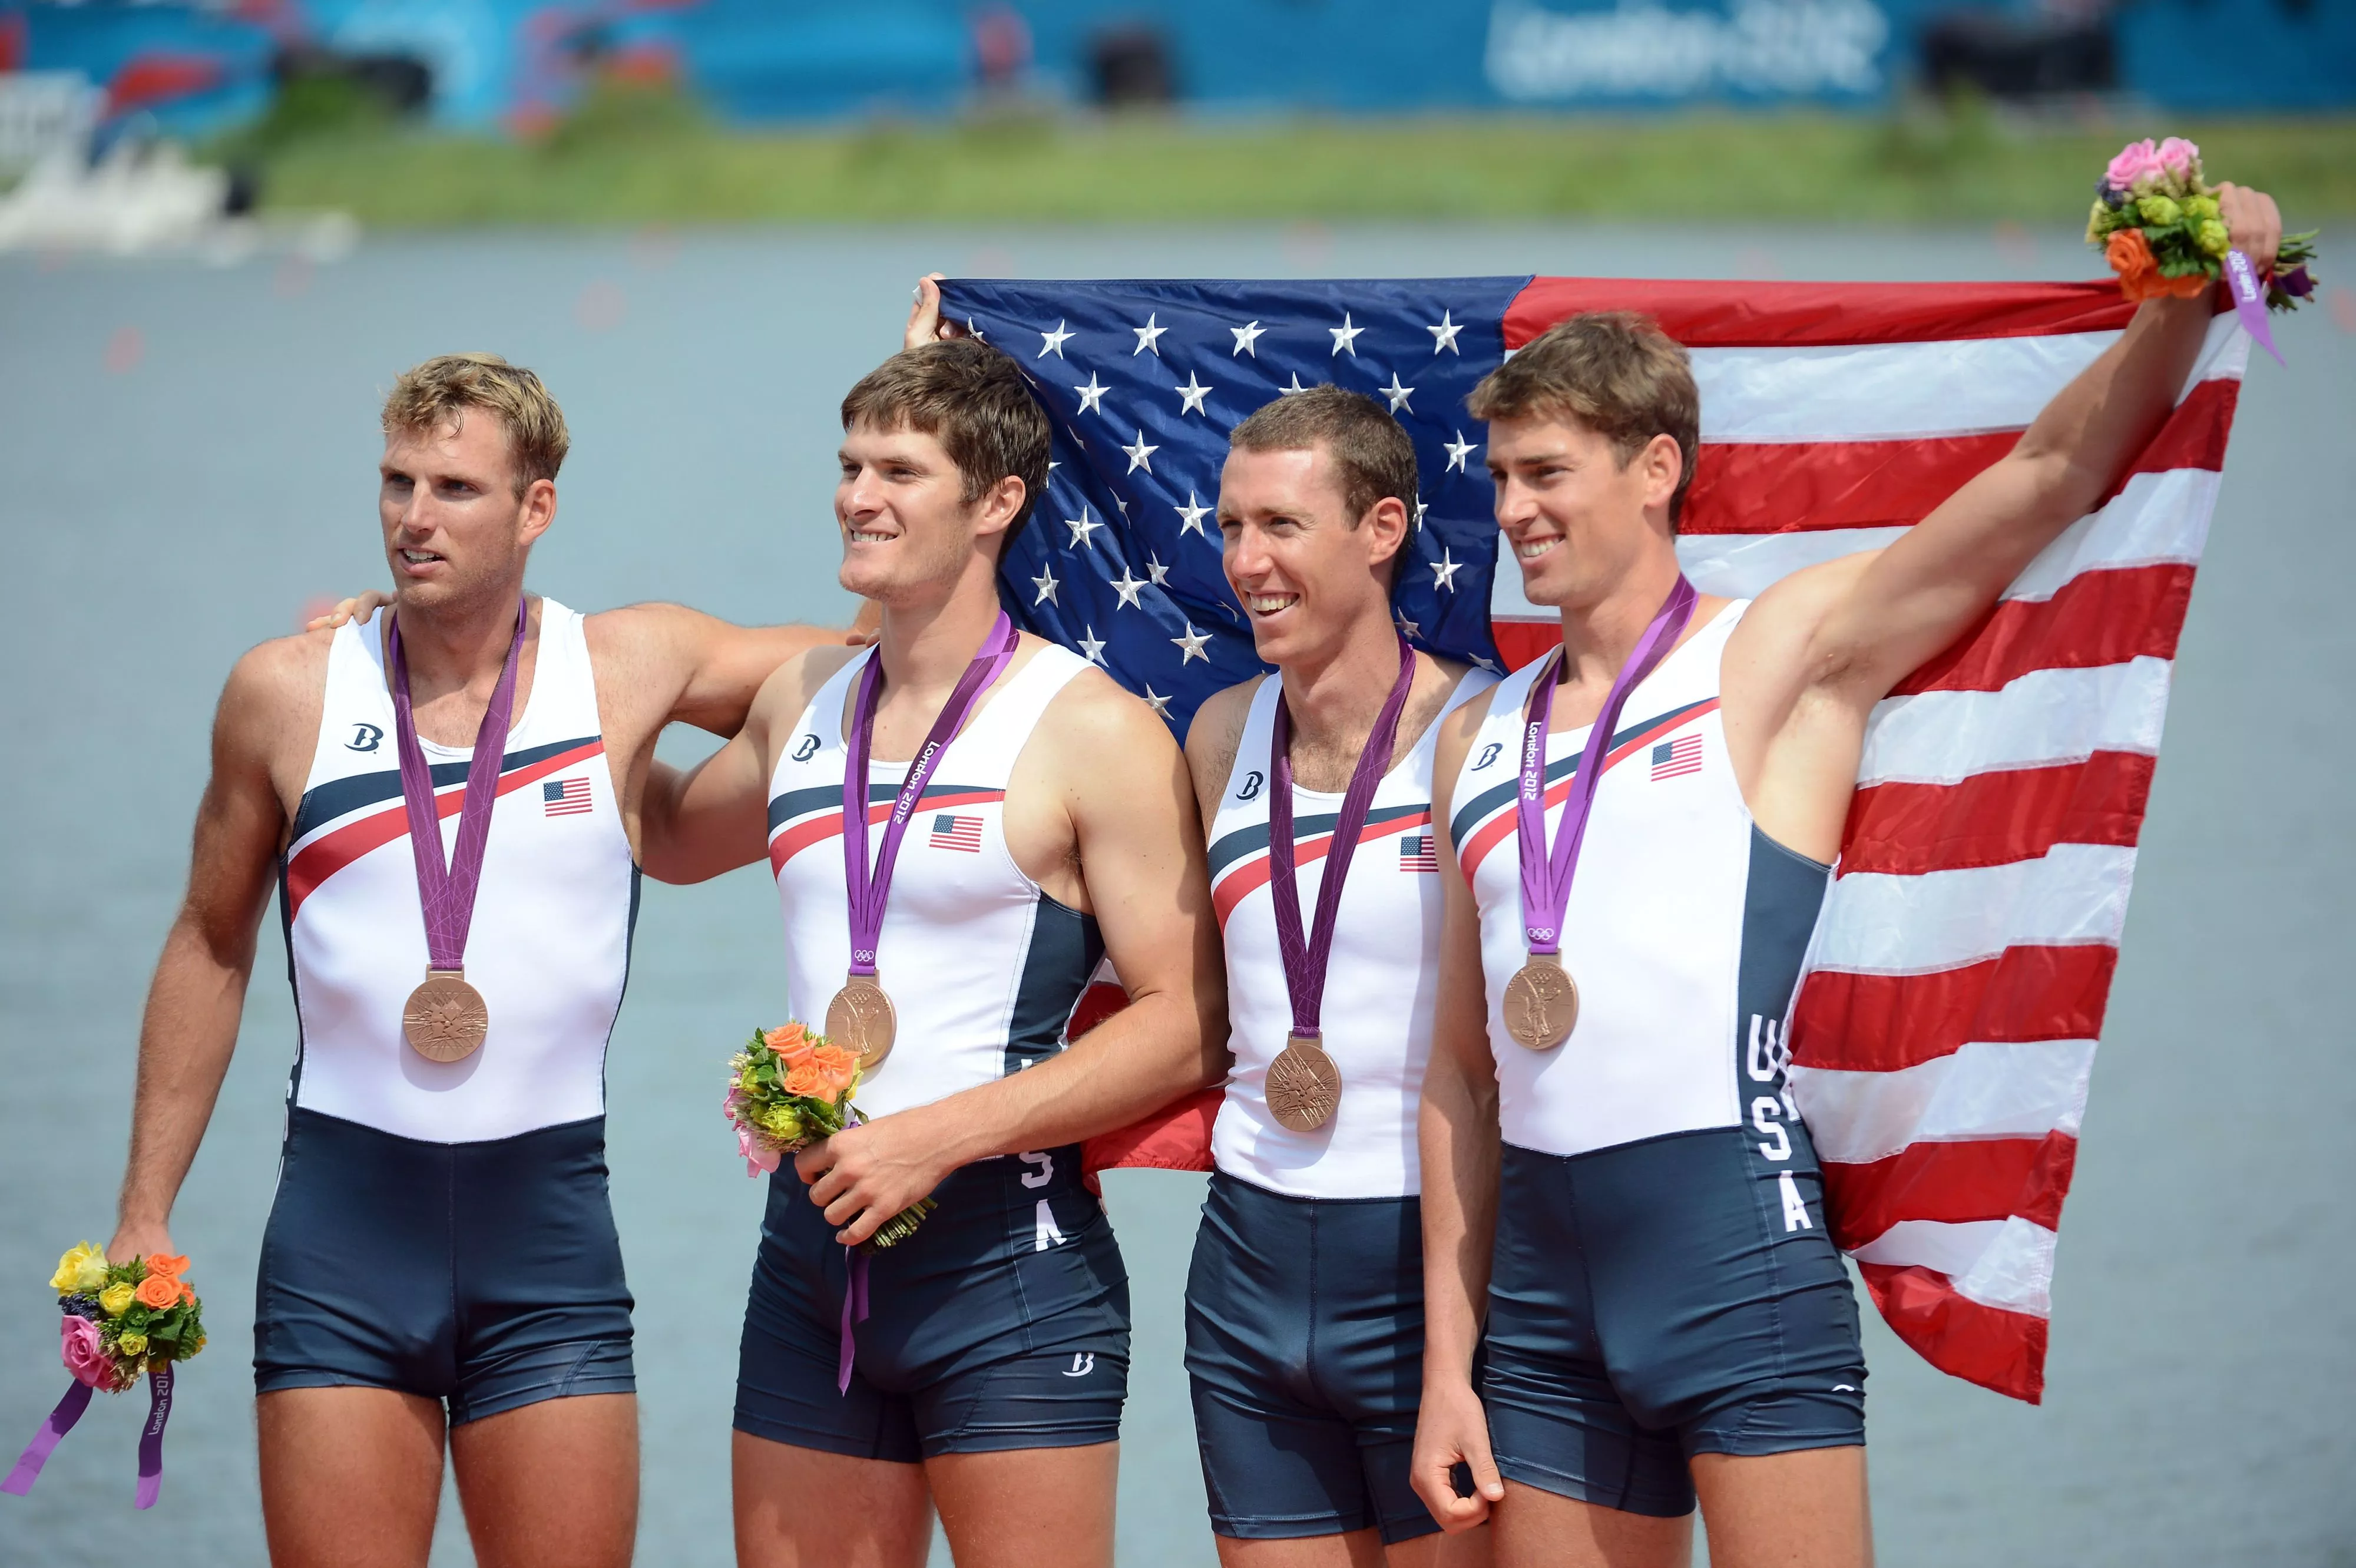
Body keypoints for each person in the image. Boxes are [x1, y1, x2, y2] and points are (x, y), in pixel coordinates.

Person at [1412, 188, 2284, 1567]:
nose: (1513, 507)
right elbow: (1460, 1075)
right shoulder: (1479, 732)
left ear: (1653, 469)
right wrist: (1445, 1366)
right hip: (1536, 1304)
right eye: (1502, 475)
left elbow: (2046, 479)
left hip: (1732, 1261)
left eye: (1546, 472)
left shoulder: (1778, 655)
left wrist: (2181, 292)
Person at [106, 352, 871, 1568]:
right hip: (340, 1249)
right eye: (397, 482)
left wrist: (939, 412)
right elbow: (208, 942)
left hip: (548, 1251)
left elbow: (879, 661)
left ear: (536, 508)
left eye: (456, 488)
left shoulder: (627, 667)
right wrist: (143, 1211)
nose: (415, 517)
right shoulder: (286, 692)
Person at [636, 333, 1226, 1568]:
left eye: (900, 470)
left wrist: (934, 1133)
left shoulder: (1089, 729)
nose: (858, 493)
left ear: (996, 501)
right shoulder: (806, 697)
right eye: (851, 463)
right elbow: (671, 841)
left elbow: (1183, 1026)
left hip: (1007, 1270)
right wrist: (471, 650)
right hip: (808, 1257)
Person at [1179, 387, 1495, 1567]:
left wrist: (1454, 1353)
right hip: (1247, 1269)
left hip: (1427, 1263)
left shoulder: (1478, 731)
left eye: (1279, 526)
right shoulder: (1219, 733)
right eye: (1227, 527)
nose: (1244, 561)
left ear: (1381, 528)